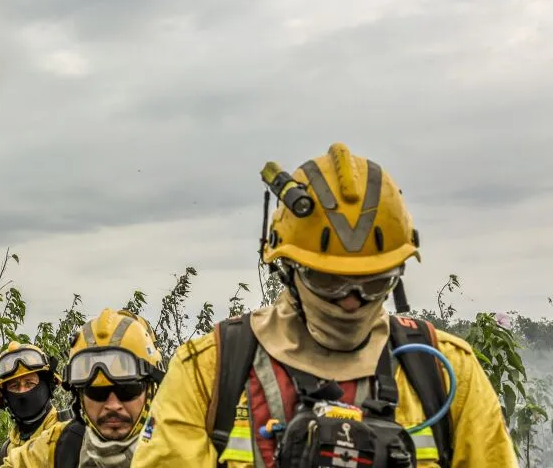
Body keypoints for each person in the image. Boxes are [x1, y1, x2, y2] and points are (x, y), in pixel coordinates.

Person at [130, 142, 518, 468]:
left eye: (374, 282)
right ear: (287, 269)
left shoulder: (444, 372)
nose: (352, 301)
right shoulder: (211, 370)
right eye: (329, 281)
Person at [2, 308, 164, 467]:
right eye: (96, 392)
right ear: (79, 396)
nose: (112, 405)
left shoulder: (178, 446)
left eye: (127, 390)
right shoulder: (64, 443)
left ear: (150, 388)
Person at [0, 342, 72, 466]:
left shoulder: (70, 434)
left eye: (30, 383)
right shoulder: (5, 452)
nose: (22, 391)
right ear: (5, 397)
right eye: (14, 386)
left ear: (48, 386)